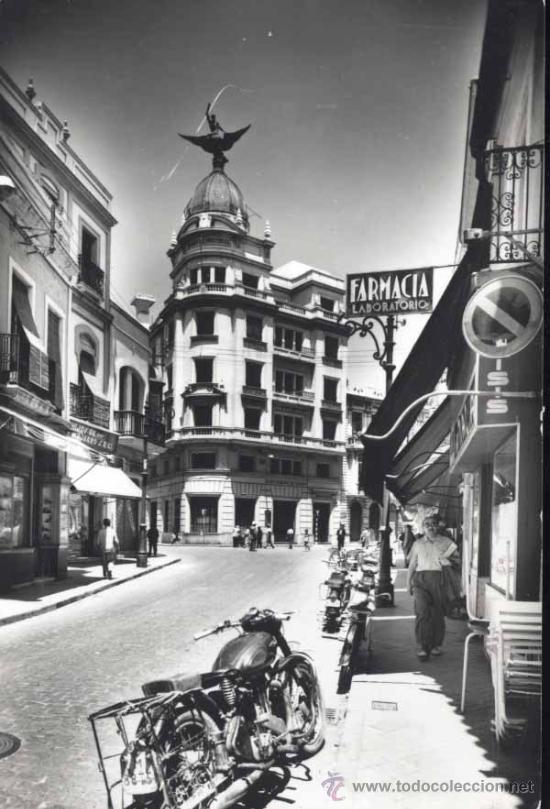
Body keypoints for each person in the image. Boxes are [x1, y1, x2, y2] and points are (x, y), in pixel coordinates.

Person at [406, 514, 457, 659]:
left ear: (438, 526)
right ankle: (423, 646)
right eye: (427, 524)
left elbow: (458, 560)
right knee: (422, 612)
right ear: (423, 528)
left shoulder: (447, 542)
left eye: (433, 523)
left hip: (438, 579)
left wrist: (447, 561)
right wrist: (407, 584)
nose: (430, 526)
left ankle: (436, 645)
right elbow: (412, 565)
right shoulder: (417, 544)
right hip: (420, 580)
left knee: (437, 614)